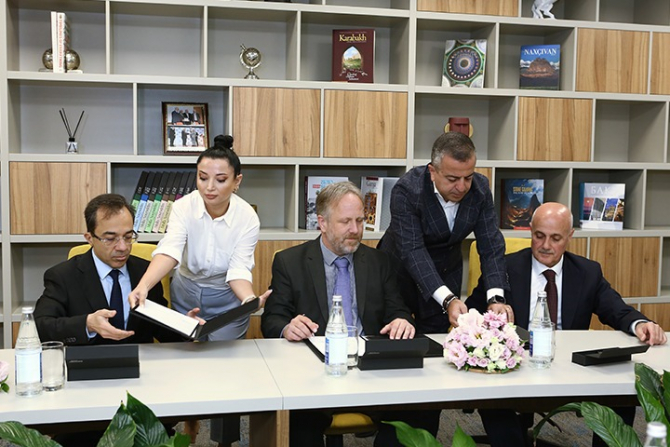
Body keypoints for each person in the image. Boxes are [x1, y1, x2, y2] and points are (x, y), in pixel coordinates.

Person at [468, 202, 667, 447]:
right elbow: (471, 312)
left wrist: (640, 324)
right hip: (515, 365)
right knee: (493, 398)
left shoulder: (587, 272)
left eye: (555, 238)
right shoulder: (503, 269)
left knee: (620, 396)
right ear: (530, 230)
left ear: (570, 236)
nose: (545, 245)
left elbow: (616, 310)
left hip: (570, 367)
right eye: (539, 236)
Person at [128, 134, 271, 447]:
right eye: (202, 178)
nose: (209, 187)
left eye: (220, 180)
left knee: (225, 372)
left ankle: (225, 440)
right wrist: (143, 285)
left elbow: (238, 270)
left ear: (237, 181)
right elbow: (170, 250)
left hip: (227, 297)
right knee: (186, 366)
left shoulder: (247, 217)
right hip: (187, 292)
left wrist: (248, 300)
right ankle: (188, 427)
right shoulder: (183, 207)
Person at [261, 181, 418, 447]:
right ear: (322, 223)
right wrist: (288, 327)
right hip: (313, 373)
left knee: (416, 414)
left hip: (371, 371)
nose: (355, 230)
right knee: (299, 425)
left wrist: (401, 320)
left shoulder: (380, 262)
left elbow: (398, 310)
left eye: (360, 220)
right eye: (345, 222)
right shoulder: (290, 262)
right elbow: (272, 319)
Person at [33, 193, 185, 446]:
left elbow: (162, 329)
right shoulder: (63, 276)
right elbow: (42, 326)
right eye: (110, 238)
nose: (122, 247)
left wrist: (185, 324)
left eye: (128, 236)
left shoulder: (145, 273)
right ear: (89, 238)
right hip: (86, 388)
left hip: (141, 384)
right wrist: (86, 324)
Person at [378, 131, 510, 334]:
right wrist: (447, 299)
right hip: (400, 273)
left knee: (437, 341)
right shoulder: (407, 190)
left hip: (446, 272)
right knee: (397, 336)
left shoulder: (480, 189)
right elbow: (413, 251)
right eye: (452, 178)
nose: (462, 187)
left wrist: (496, 298)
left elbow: (491, 246)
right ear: (432, 171)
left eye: (468, 177)